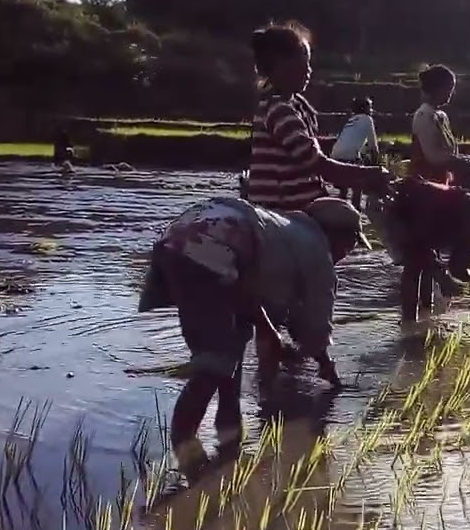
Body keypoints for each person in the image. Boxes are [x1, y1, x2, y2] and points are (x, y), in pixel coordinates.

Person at [137, 195, 371, 467]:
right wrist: (326, 364)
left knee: (231, 348)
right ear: (339, 235)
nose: (349, 253)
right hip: (210, 247)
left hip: (179, 237)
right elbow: (314, 321)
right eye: (352, 245)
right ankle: (185, 451)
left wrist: (271, 332)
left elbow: (250, 298)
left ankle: (228, 443)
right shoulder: (316, 251)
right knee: (214, 363)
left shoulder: (286, 230)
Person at [243, 22, 390, 213]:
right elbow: (318, 164)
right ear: (280, 66)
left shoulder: (297, 105)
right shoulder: (279, 110)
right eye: (303, 64)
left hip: (301, 202)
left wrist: (342, 146)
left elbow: (306, 145)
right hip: (285, 207)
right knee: (346, 217)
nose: (309, 71)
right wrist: (369, 174)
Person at [385, 180, 470, 323]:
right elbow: (418, 244)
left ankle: (425, 313)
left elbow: (458, 266)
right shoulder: (447, 202)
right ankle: (408, 322)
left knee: (427, 269)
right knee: (415, 266)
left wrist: (467, 280)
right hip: (398, 211)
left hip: (422, 230)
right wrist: (441, 273)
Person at [331, 97, 381, 209]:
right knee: (358, 185)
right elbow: (373, 146)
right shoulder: (367, 119)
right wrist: (378, 164)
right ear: (365, 108)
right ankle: (356, 209)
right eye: (370, 107)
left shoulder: (351, 120)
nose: (371, 110)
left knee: (344, 187)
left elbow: (351, 141)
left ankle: (340, 208)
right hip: (349, 156)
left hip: (335, 155)